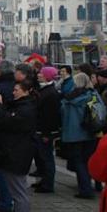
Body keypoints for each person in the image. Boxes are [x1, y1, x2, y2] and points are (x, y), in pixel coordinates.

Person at [0, 79, 37, 212]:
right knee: (15, 189)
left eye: (16, 90)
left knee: (19, 191)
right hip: (12, 151)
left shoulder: (26, 109)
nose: (13, 92)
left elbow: (7, 121)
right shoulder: (20, 105)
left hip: (18, 153)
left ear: (25, 91)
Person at [61, 72, 98, 199]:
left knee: (78, 162)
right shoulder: (93, 95)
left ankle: (85, 189)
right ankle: (90, 185)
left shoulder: (70, 98)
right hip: (91, 132)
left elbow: (63, 113)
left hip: (74, 133)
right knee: (87, 160)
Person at [32, 66, 60, 194]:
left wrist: (47, 133)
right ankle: (44, 181)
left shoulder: (50, 93)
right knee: (43, 157)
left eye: (41, 74)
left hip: (45, 131)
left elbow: (51, 116)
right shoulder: (45, 90)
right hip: (41, 129)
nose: (39, 75)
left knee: (47, 158)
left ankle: (48, 184)